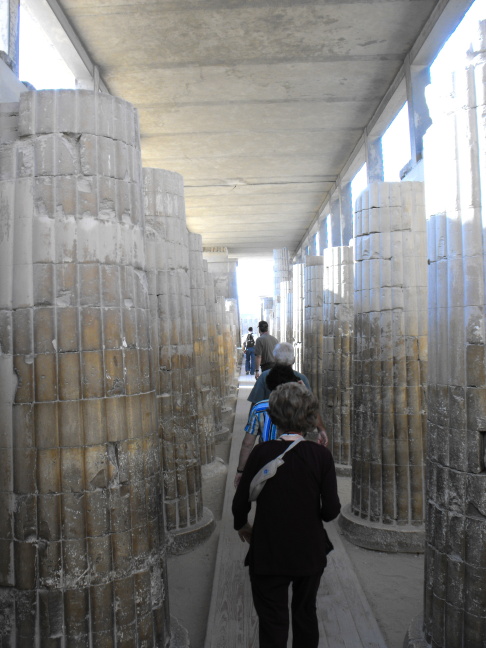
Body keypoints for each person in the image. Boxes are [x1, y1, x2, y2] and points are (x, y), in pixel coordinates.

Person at [232, 382, 341, 648]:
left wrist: (243, 526)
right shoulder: (320, 456)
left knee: (273, 620)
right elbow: (330, 512)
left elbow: (239, 503)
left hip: (268, 549)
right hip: (308, 550)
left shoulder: (261, 452)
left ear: (274, 415)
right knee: (305, 614)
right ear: (309, 416)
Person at [235, 342, 328, 487]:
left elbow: (254, 412)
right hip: (296, 444)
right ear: (293, 360)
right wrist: (321, 430)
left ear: (274, 358)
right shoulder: (301, 379)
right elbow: (312, 409)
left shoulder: (265, 378)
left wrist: (241, 470)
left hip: (267, 445)